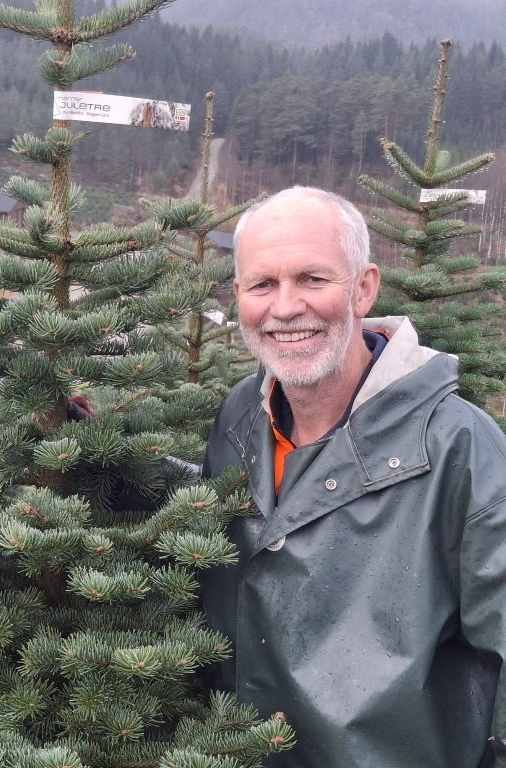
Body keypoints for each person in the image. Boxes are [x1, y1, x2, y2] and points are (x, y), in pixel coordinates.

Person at [200, 186, 506, 768]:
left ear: (364, 288)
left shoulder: (460, 449)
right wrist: (103, 466)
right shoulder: (243, 413)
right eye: (262, 285)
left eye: (313, 279)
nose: (286, 307)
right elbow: (208, 514)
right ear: (238, 296)